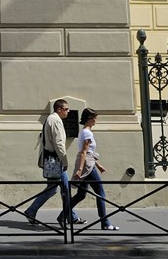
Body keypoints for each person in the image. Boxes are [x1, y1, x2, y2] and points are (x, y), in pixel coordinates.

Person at [23, 98, 79, 228]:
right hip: (55, 160)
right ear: (59, 109)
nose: (68, 111)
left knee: (63, 188)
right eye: (66, 109)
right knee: (53, 189)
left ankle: (71, 216)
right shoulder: (55, 120)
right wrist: (64, 161)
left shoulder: (53, 119)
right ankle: (31, 211)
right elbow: (59, 144)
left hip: (52, 159)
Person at [70, 107, 117, 231]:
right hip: (87, 166)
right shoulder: (87, 133)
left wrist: (98, 165)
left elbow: (89, 153)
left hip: (89, 163)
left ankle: (62, 215)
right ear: (90, 119)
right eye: (95, 118)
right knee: (100, 193)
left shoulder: (84, 132)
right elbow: (84, 153)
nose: (96, 120)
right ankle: (105, 222)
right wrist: (80, 170)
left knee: (81, 195)